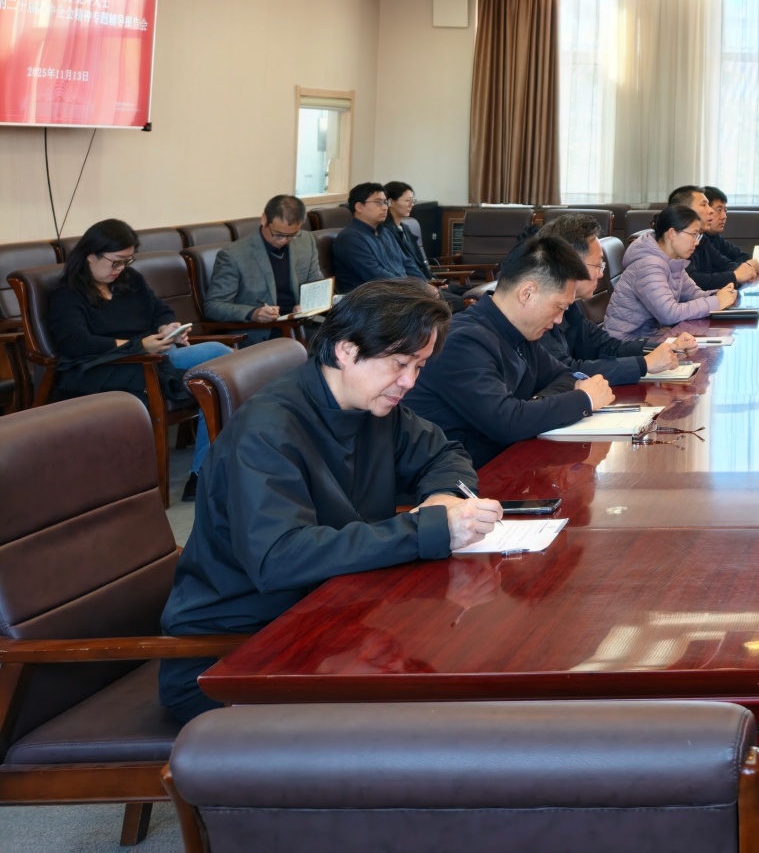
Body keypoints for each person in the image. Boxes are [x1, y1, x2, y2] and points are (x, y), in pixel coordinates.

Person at [157, 279, 500, 722]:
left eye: (419, 366)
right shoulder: (267, 431)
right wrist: (428, 528)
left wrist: (439, 501)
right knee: (438, 717)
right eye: (400, 364)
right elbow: (280, 558)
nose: (410, 382)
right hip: (239, 654)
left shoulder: (371, 403)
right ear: (346, 350)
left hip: (334, 622)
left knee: (465, 670)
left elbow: (444, 453)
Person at [47, 219, 235, 493]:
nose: (120, 269)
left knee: (222, 370)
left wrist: (166, 328)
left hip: (155, 355)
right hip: (105, 366)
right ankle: (203, 478)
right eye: (115, 261)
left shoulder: (130, 280)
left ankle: (203, 473)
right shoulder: (67, 294)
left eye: (127, 261)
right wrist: (136, 345)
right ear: (90, 255)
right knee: (214, 371)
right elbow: (75, 343)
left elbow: (160, 310)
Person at [405, 236, 614, 467]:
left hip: (503, 463)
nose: (558, 319)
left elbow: (565, 375)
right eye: (559, 307)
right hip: (460, 479)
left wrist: (533, 404)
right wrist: (583, 399)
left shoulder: (519, 332)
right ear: (527, 293)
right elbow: (507, 423)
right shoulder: (462, 341)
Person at [525, 213, 685, 386]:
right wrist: (644, 364)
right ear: (570, 264)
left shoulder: (572, 306)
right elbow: (568, 371)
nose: (601, 274)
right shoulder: (534, 310)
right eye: (598, 265)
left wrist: (662, 347)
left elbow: (602, 345)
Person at [605, 204, 737, 343]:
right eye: (693, 235)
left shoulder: (673, 260)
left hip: (651, 336)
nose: (696, 243)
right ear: (672, 233)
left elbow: (693, 294)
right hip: (626, 344)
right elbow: (669, 314)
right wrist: (716, 302)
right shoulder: (649, 265)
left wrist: (721, 294)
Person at [204, 193, 324, 333]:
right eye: (278, 234)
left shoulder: (306, 241)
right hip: (263, 330)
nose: (284, 240)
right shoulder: (234, 255)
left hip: (302, 324)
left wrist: (306, 305)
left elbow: (316, 285)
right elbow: (213, 306)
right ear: (264, 219)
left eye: (292, 235)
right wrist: (253, 313)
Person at [674, 185, 759, 289]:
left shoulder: (702, 239)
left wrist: (745, 270)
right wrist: (736, 275)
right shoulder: (677, 240)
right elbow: (693, 281)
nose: (710, 211)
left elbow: (726, 264)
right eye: (704, 205)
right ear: (685, 211)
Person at [331, 182, 409, 293]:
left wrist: (425, 284)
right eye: (378, 202)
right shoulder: (350, 239)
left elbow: (406, 262)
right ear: (359, 207)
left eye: (385, 202)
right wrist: (414, 288)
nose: (385, 207)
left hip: (399, 292)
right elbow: (376, 276)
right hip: (370, 301)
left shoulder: (385, 232)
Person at [379, 181, 436, 282]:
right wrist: (428, 283)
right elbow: (403, 267)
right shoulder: (386, 231)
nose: (411, 205)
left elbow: (419, 263)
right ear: (391, 202)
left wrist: (433, 279)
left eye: (412, 201)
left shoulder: (405, 228)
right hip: (413, 285)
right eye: (407, 201)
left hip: (426, 282)